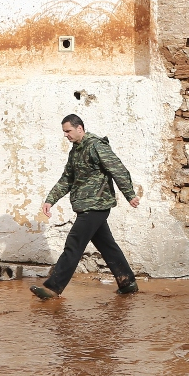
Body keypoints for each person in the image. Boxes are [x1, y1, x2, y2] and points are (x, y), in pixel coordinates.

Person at [31, 114, 141, 299]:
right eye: (64, 132)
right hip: (85, 205)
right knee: (107, 246)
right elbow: (67, 179)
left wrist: (129, 195)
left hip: (97, 205)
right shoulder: (75, 151)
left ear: (79, 128)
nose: (66, 135)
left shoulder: (96, 145)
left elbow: (118, 169)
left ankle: (53, 287)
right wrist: (50, 200)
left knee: (73, 244)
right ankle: (127, 282)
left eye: (68, 131)